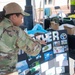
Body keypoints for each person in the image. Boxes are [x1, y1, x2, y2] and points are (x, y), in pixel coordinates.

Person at [0, 2, 46, 75]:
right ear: (14, 17)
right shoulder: (14, 31)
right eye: (21, 18)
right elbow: (34, 50)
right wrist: (38, 43)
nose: (22, 21)